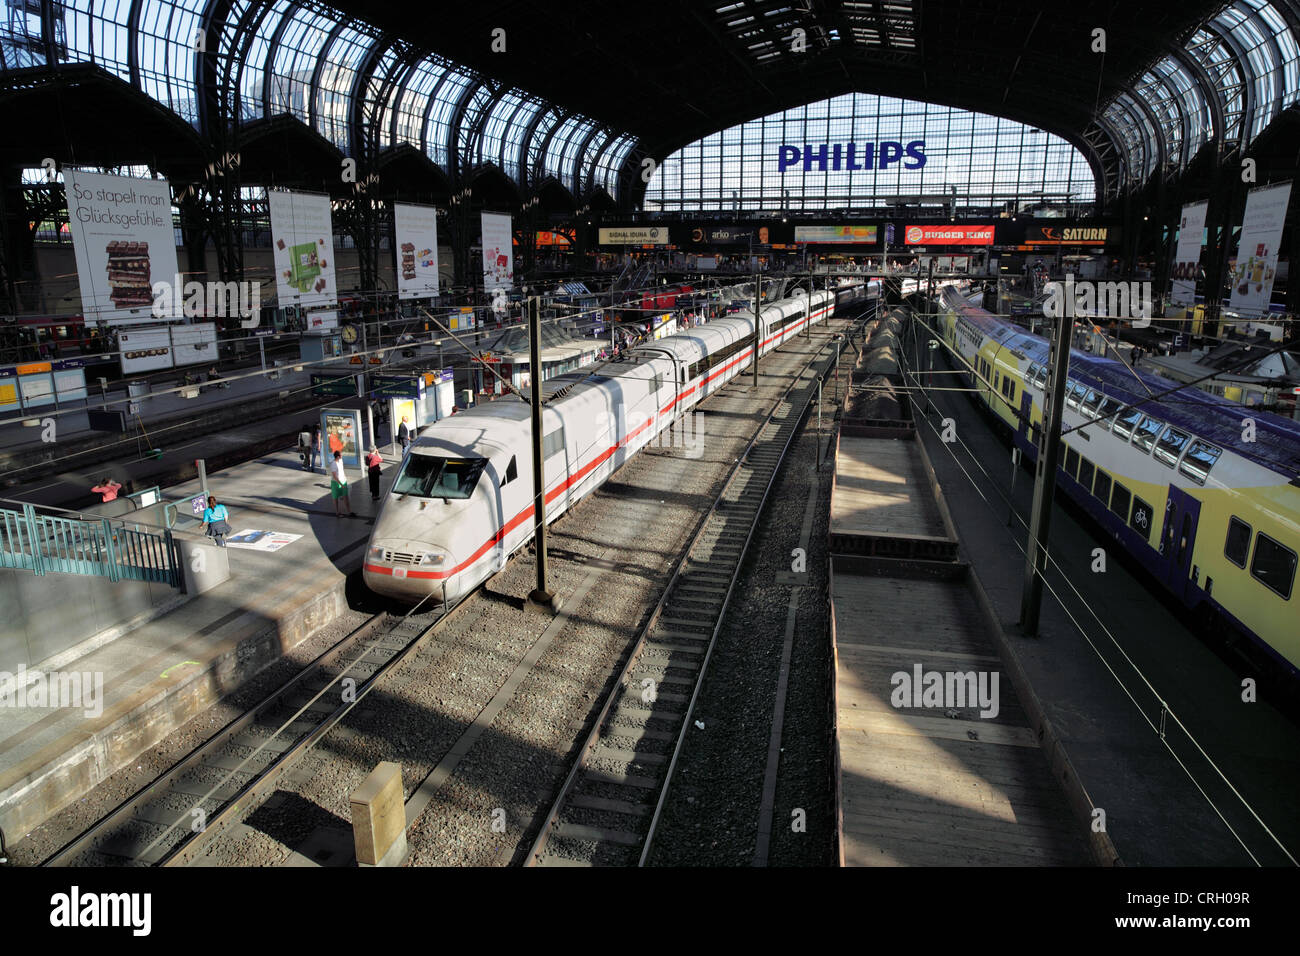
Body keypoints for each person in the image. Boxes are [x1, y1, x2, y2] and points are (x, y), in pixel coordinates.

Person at [330, 450, 354, 517]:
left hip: (343, 481)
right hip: (336, 483)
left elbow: (342, 470)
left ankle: (349, 512)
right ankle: (337, 512)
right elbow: (334, 476)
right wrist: (340, 484)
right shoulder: (333, 464)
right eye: (341, 455)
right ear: (338, 457)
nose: (342, 456)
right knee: (335, 498)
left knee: (346, 496)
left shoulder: (341, 460)